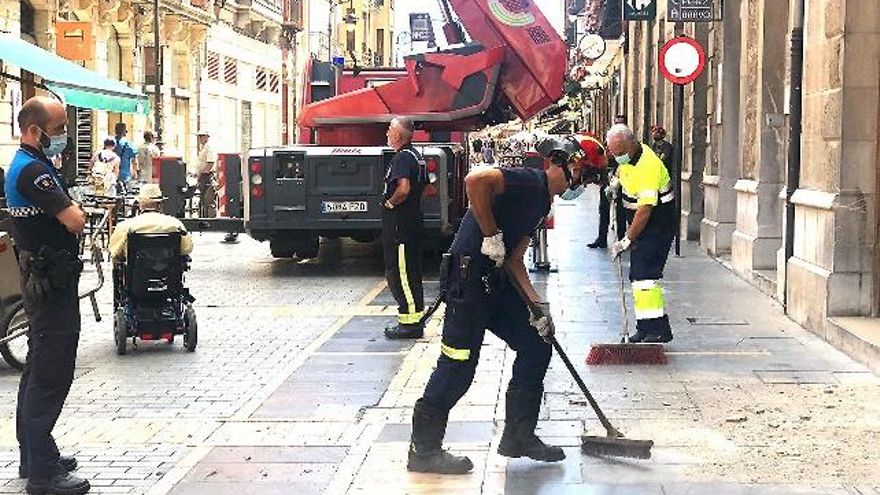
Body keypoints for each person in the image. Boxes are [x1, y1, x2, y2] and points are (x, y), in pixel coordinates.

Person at [405, 134, 603, 475]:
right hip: (468, 281)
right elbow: (475, 180)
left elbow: (514, 259)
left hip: (494, 281)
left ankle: (518, 435)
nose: (584, 185)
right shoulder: (528, 182)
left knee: (535, 343)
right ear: (570, 165)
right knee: (458, 366)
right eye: (585, 176)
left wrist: (537, 305)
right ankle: (423, 450)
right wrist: (490, 232)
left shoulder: (542, 202)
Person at [5, 96, 90, 495]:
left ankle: (35, 454)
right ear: (34, 131)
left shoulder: (24, 165)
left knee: (38, 368)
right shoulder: (34, 172)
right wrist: (76, 209)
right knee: (51, 373)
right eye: (58, 131)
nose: (64, 138)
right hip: (50, 283)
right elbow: (73, 220)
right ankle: (43, 472)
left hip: (42, 279)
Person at [606, 124, 675, 343]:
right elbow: (624, 173)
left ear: (631, 145)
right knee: (638, 276)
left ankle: (657, 329)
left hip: (657, 226)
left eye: (619, 153)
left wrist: (626, 240)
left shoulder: (648, 165)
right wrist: (615, 185)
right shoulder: (629, 158)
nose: (617, 157)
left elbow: (644, 211)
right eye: (613, 153)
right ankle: (646, 327)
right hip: (643, 225)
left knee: (646, 276)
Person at [381, 116, 427, 340]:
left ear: (398, 135)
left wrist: (390, 203)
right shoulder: (417, 157)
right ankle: (413, 318)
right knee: (412, 272)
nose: (387, 133)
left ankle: (409, 324)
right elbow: (429, 189)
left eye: (390, 129)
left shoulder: (401, 158)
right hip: (412, 224)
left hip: (400, 228)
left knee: (401, 275)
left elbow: (404, 189)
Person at [109, 183, 193, 261]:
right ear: (160, 205)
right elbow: (187, 249)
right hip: (170, 274)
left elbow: (114, 252)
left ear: (139, 205)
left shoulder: (125, 226)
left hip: (135, 274)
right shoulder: (175, 224)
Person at [196, 130, 217, 218]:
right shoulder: (203, 148)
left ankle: (210, 220)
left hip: (207, 176)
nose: (200, 138)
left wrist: (202, 174)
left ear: (207, 137)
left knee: (208, 199)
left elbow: (210, 162)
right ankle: (203, 217)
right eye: (199, 136)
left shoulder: (209, 148)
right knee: (203, 199)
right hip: (203, 176)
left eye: (202, 136)